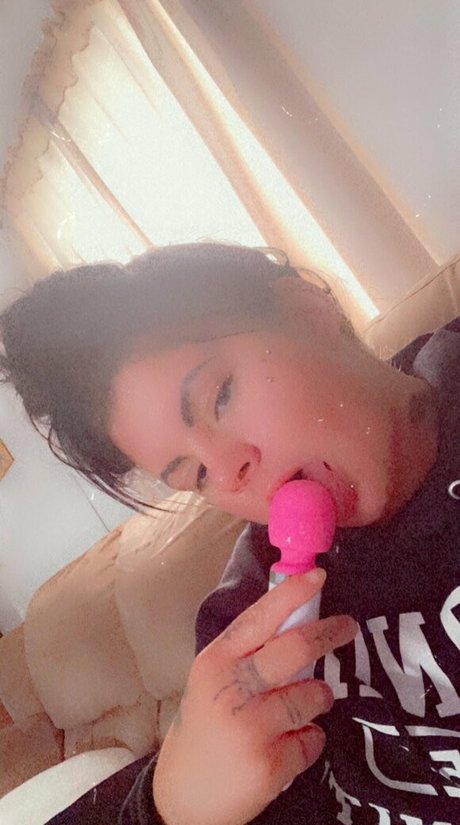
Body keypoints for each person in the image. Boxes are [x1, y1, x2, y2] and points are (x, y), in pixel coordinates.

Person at [1, 243, 459, 825]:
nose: (228, 472)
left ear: (308, 311)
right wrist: (166, 808)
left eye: (219, 396)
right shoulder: (247, 618)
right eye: (194, 474)